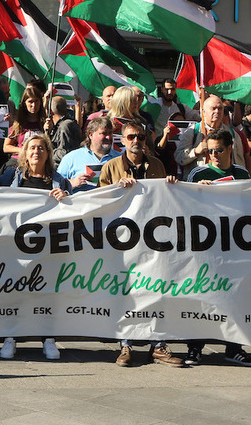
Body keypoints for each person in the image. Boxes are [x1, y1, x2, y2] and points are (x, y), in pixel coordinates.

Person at [99, 120, 184, 367]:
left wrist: (171, 186)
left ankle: (158, 345)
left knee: (156, 290)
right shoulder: (111, 167)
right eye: (131, 137)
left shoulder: (157, 165)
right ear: (122, 140)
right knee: (125, 292)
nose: (136, 141)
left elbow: (166, 200)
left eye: (141, 137)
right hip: (122, 240)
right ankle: (125, 345)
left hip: (153, 239)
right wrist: (117, 189)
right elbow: (99, 201)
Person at [183, 128, 251, 366]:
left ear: (229, 149)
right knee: (201, 296)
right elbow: (183, 205)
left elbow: (248, 205)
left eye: (218, 151)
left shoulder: (241, 173)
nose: (214, 155)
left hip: (233, 244)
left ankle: (233, 347)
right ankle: (195, 348)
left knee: (234, 295)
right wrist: (198, 190)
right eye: (210, 151)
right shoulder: (198, 173)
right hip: (205, 244)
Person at [0, 133, 70, 362]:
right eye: (32, 148)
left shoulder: (58, 180)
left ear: (48, 153)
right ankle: (11, 337)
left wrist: (67, 196)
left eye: (41, 148)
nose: (36, 152)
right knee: (16, 292)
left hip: (49, 245)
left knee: (46, 293)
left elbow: (78, 206)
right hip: (19, 245)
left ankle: (48, 338)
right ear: (25, 153)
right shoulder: (13, 176)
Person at [175, 95, 247, 179]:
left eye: (220, 108)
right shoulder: (192, 132)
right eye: (213, 108)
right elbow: (179, 157)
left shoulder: (232, 134)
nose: (217, 111)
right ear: (203, 112)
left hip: (226, 182)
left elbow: (239, 163)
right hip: (200, 182)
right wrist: (196, 151)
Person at [57, 117, 120, 192]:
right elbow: (56, 184)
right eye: (104, 133)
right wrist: (73, 183)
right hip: (81, 199)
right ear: (91, 135)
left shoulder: (120, 158)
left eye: (110, 133)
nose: (108, 137)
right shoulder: (71, 158)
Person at [3, 85, 45, 163]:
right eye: (30, 102)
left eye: (36, 101)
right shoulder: (18, 123)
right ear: (24, 103)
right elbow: (6, 147)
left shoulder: (45, 123)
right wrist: (23, 150)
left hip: (39, 162)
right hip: (19, 161)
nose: (34, 105)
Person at [44, 96, 81, 169]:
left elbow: (64, 152)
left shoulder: (65, 126)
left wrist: (48, 154)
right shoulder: (59, 126)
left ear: (51, 112)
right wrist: (47, 133)